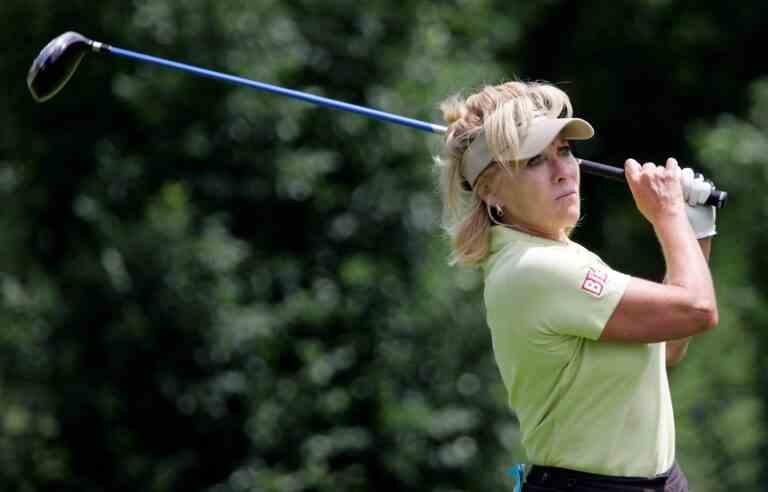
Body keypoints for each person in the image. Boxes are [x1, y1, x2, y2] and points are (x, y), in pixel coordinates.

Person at [434, 80, 718, 492]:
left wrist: (696, 229)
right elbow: (697, 309)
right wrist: (669, 213)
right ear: (490, 191)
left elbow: (669, 343)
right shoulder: (534, 269)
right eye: (534, 160)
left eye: (564, 151)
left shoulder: (563, 255)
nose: (562, 170)